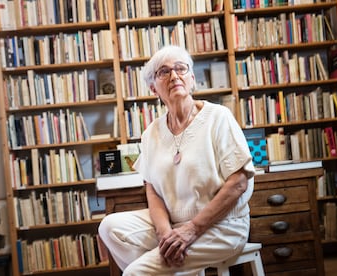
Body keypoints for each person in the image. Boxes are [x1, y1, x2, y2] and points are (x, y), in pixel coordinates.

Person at [98, 45, 255, 275]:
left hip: (222, 226)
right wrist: (164, 233)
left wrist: (192, 229)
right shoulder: (151, 133)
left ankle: (157, 268)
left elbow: (239, 182)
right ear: (153, 88)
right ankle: (170, 262)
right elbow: (152, 188)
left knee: (135, 272)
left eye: (181, 68)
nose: (174, 75)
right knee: (109, 227)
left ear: (192, 78)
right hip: (174, 223)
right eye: (164, 71)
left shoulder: (218, 117)